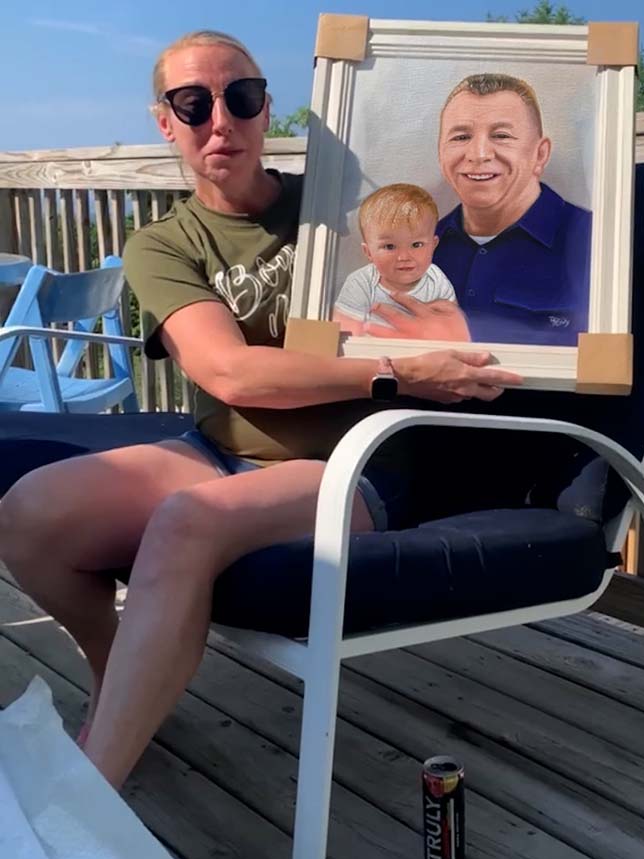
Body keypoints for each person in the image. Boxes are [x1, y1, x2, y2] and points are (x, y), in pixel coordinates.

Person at [0, 30, 522, 795]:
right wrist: (393, 371)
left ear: (266, 108)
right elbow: (227, 373)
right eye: (193, 102)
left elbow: (460, 248)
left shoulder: (346, 212)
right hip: (220, 448)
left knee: (186, 520)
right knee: (25, 514)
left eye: (241, 97)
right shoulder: (164, 242)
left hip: (353, 467)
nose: (221, 120)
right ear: (165, 121)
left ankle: (91, 796)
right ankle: (120, 667)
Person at [367, 73, 592, 346]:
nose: (479, 153)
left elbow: (603, 358)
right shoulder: (412, 248)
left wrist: (468, 335)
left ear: (540, 154)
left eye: (501, 135)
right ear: (440, 153)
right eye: (461, 137)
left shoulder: (595, 241)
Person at [333, 183, 461, 338]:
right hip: (373, 356)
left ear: (433, 245)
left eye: (416, 245)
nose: (404, 257)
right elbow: (344, 335)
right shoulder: (361, 283)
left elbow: (452, 327)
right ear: (368, 252)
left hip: (424, 355)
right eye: (390, 246)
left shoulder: (436, 280)